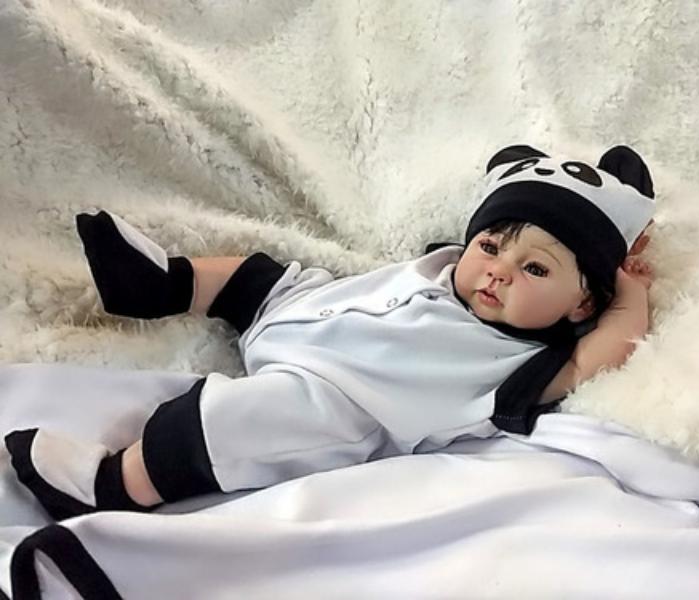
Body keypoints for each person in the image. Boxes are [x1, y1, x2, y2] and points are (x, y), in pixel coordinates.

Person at [5, 144, 655, 520]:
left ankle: (115, 486)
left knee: (226, 423)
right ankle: (164, 284)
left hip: (330, 400)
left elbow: (604, 352)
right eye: (490, 246)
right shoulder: (446, 268)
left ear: (580, 304)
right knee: (262, 276)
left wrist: (629, 294)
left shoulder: (525, 361)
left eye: (535, 270)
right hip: (308, 313)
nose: (499, 272)